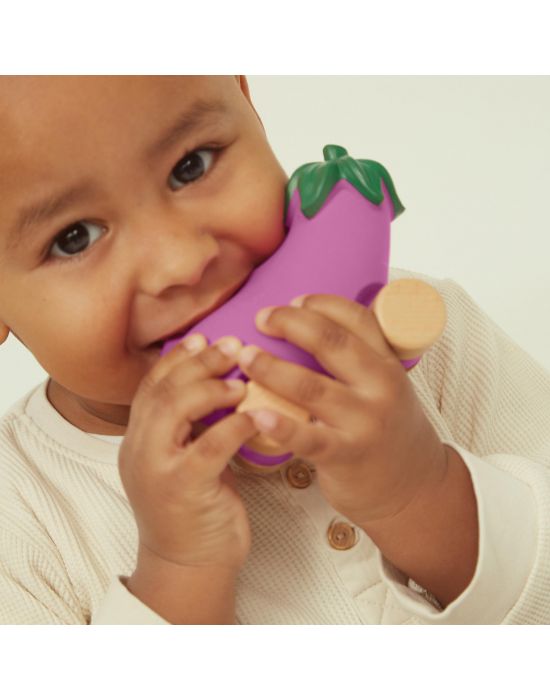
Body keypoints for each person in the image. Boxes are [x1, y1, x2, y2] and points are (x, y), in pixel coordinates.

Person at [0, 76, 547, 625]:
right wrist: (179, 571)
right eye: (74, 237)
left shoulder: (423, 329)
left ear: (248, 104)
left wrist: (422, 498)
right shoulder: (20, 517)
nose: (182, 260)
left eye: (191, 165)